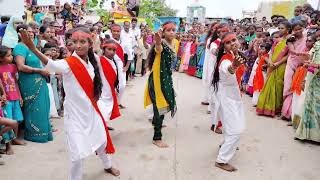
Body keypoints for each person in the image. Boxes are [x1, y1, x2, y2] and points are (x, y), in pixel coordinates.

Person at [19, 27, 120, 180]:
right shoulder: (68, 63)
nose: (78, 45)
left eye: (82, 42)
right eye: (75, 42)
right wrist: (33, 48)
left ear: (90, 43)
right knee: (77, 153)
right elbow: (52, 65)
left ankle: (107, 165)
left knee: (101, 140)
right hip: (74, 116)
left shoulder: (92, 62)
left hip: (92, 111)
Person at [212, 32, 246, 172]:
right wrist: (234, 67)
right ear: (224, 47)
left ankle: (226, 144)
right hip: (227, 98)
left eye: (234, 40)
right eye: (228, 42)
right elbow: (228, 69)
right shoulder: (226, 59)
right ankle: (221, 160)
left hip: (232, 96)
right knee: (236, 130)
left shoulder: (237, 55)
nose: (232, 43)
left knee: (229, 125)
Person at [14, 24, 52, 143]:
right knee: (33, 107)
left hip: (40, 80)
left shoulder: (33, 47)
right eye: (27, 31)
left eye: (31, 31)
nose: (30, 33)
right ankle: (33, 134)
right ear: (20, 34)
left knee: (43, 106)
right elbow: (20, 66)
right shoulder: (19, 48)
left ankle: (44, 132)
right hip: (29, 82)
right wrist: (40, 71)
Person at [144, 22, 177, 148]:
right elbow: (158, 49)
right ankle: (157, 137)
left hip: (165, 78)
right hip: (158, 80)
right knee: (160, 106)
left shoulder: (173, 43)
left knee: (163, 104)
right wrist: (157, 42)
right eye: (169, 30)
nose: (172, 32)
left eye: (174, 30)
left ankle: (155, 121)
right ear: (163, 32)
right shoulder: (162, 43)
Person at [256, 21, 290, 117]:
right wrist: (270, 62)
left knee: (278, 86)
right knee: (269, 85)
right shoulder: (277, 41)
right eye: (279, 28)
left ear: (288, 29)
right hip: (272, 65)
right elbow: (271, 52)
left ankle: (277, 109)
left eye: (282, 28)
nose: (279, 30)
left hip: (281, 65)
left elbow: (288, 55)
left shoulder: (290, 40)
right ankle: (267, 108)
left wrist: (278, 63)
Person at [295, 37, 320, 142]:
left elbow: (315, 64)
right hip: (313, 78)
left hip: (316, 78)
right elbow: (312, 60)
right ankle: (308, 134)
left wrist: (311, 64)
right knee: (310, 105)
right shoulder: (317, 44)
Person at [0, 45, 25, 147]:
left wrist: (20, 96)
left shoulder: (13, 67)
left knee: (17, 119)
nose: (12, 57)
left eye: (11, 55)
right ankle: (8, 144)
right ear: (1, 58)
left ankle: (15, 139)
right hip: (6, 99)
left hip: (15, 96)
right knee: (8, 121)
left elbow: (15, 82)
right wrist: (3, 95)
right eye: (9, 56)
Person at [281, 21, 307, 120]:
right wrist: (301, 53)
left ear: (303, 28)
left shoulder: (307, 38)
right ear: (292, 30)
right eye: (296, 29)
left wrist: (304, 58)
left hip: (302, 65)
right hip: (292, 63)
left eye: (300, 29)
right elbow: (292, 51)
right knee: (288, 86)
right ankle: (285, 112)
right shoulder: (291, 39)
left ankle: (293, 113)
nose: (298, 31)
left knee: (297, 87)